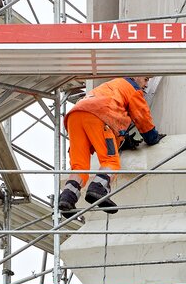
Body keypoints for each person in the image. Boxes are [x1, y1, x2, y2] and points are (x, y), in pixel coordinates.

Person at [58, 77, 165, 217]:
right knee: (110, 161)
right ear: (136, 77)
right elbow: (141, 116)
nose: (146, 84)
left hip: (75, 116)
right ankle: (98, 188)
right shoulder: (132, 88)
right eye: (145, 80)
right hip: (98, 113)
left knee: (79, 167)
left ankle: (67, 198)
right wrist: (152, 138)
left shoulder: (110, 86)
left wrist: (122, 140)